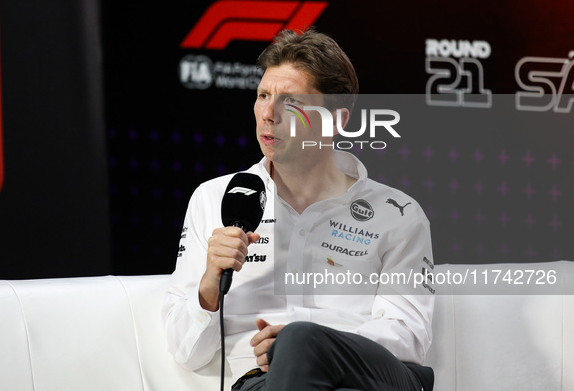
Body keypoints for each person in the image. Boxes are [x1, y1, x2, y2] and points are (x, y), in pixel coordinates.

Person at [163, 28, 435, 391]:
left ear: (336, 120)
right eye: (262, 95)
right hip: (263, 383)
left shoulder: (398, 214)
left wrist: (307, 344)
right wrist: (211, 282)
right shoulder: (213, 199)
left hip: (370, 379)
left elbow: (409, 334)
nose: (268, 114)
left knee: (298, 342)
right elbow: (186, 351)